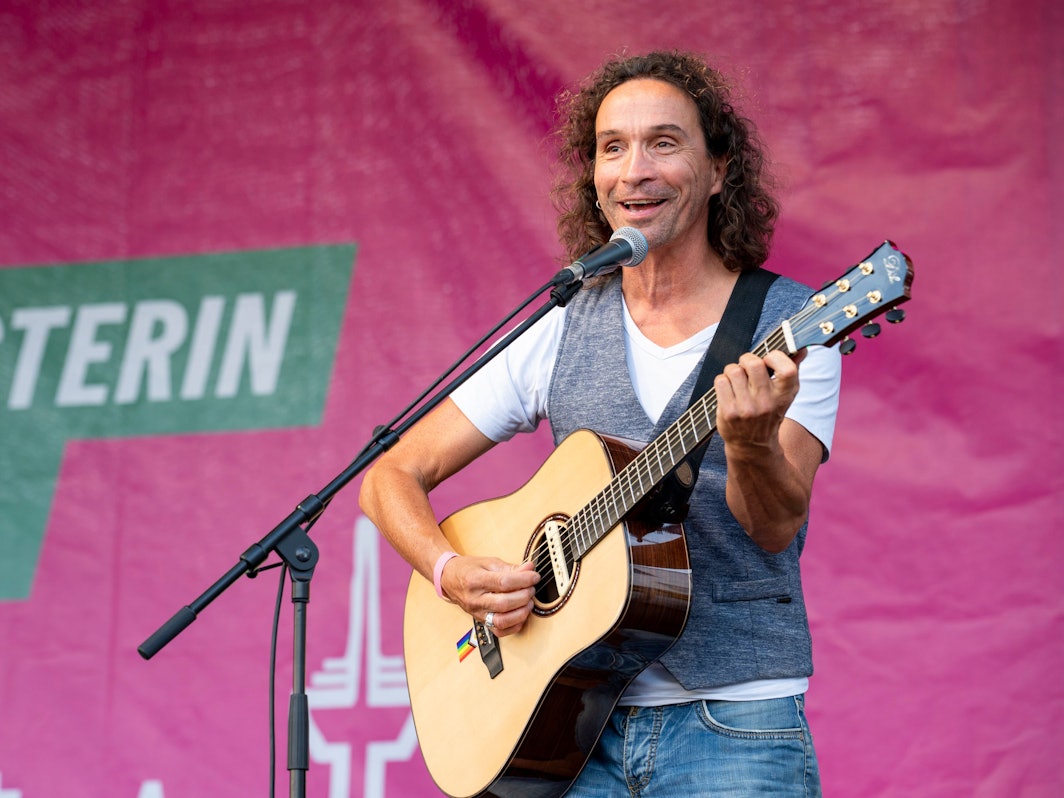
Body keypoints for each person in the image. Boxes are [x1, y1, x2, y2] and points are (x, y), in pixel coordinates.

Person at [359, 50, 840, 797]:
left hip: (732, 726)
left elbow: (775, 526)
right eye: (613, 147)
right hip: (567, 732)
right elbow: (391, 475)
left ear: (719, 171)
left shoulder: (794, 324)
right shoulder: (560, 326)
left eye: (664, 143)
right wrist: (449, 572)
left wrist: (746, 443)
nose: (634, 170)